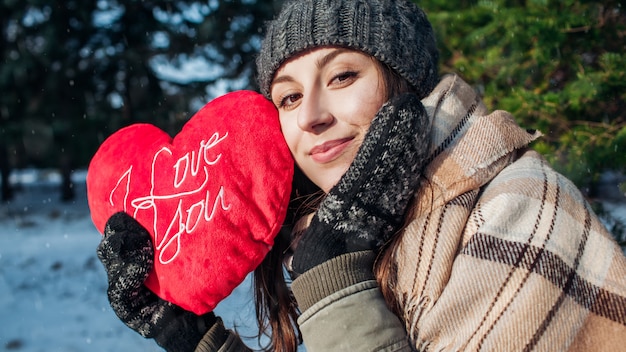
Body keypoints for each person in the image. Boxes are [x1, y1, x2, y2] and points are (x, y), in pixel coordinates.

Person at [96, 0, 626, 351]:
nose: (311, 116)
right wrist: (195, 339)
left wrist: (336, 283)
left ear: (406, 83)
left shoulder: (514, 211)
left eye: (343, 75)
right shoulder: (339, 234)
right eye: (289, 96)